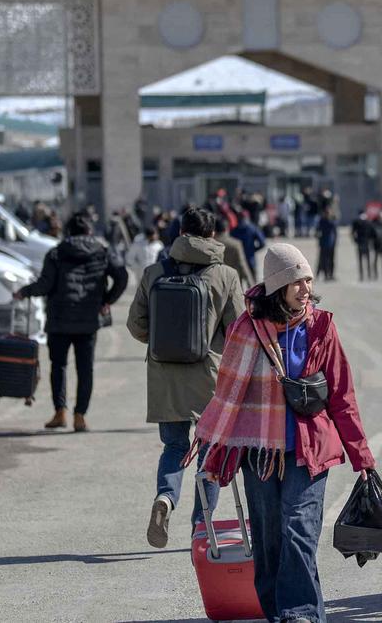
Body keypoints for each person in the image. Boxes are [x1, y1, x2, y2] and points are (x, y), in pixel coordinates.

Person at [192, 243, 376, 623]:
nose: (305, 288)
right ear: (278, 286)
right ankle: (279, 612)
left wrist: (362, 457)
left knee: (298, 530)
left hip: (310, 449)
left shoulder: (320, 326)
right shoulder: (246, 330)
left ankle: (301, 614)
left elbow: (342, 394)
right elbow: (227, 395)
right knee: (270, 538)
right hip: (260, 451)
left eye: (308, 279)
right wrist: (214, 451)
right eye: (297, 281)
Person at [126, 207, 243, 548]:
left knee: (174, 446)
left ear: (179, 231)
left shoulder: (154, 272)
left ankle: (165, 498)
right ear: (212, 236)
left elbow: (136, 325)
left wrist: (162, 340)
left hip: (165, 377)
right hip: (210, 377)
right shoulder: (225, 276)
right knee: (210, 450)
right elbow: (237, 329)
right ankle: (200, 526)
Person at [15, 211, 128, 432]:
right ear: (89, 231)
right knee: (85, 369)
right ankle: (80, 416)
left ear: (68, 232)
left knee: (59, 366)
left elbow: (45, 284)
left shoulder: (56, 253)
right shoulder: (102, 252)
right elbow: (122, 276)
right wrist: (107, 300)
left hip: (59, 319)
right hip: (88, 320)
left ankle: (60, 412)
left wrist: (24, 292)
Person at [215, 217, 256, 289]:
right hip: (234, 285)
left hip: (216, 284)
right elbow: (242, 265)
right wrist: (250, 284)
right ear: (227, 229)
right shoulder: (235, 244)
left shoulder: (211, 244)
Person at [230, 211, 267, 282]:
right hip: (250, 259)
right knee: (253, 284)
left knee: (237, 284)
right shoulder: (252, 228)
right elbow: (262, 243)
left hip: (238, 260)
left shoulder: (234, 230)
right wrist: (254, 249)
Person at [351, 211, 375, 281]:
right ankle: (364, 275)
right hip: (362, 242)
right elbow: (353, 232)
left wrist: (355, 240)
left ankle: (367, 275)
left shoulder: (366, 222)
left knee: (365, 259)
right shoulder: (361, 222)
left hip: (364, 242)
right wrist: (356, 240)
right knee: (363, 260)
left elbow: (372, 232)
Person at [316, 208, 338, 281]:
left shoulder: (331, 221)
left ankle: (331, 274)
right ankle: (325, 275)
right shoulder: (323, 221)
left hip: (331, 244)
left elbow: (335, 232)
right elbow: (317, 232)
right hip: (324, 243)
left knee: (331, 260)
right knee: (323, 260)